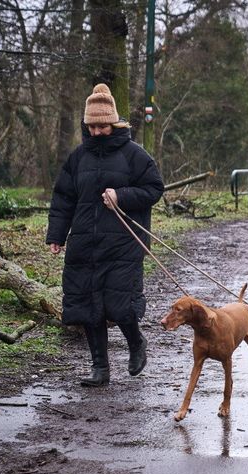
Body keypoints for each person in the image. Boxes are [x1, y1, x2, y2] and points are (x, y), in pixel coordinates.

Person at [46, 84, 165, 387]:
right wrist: (56, 235)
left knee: (120, 304)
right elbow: (63, 198)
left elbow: (154, 189)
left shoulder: (134, 155)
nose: (97, 131)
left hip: (124, 243)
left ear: (114, 123)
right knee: (88, 307)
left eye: (103, 125)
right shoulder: (77, 158)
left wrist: (121, 196)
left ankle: (136, 343)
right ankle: (100, 368)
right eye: (92, 126)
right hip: (85, 244)